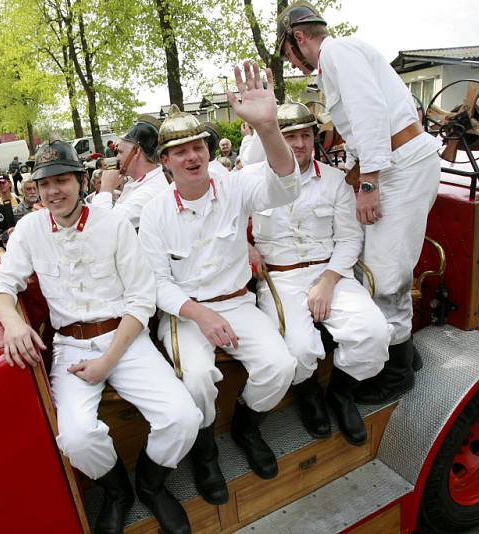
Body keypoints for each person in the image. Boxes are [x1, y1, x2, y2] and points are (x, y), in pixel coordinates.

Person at [0, 140, 202, 534]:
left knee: (183, 417)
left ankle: (152, 485)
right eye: (45, 183)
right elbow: (0, 284)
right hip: (69, 346)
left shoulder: (113, 223)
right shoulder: (31, 229)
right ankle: (118, 493)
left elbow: (141, 299)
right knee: (77, 438)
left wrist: (107, 361)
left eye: (62, 180)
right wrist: (14, 323)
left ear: (82, 181)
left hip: (126, 338)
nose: (53, 191)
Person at [138, 62, 300, 504]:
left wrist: (267, 127)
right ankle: (206, 451)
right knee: (195, 381)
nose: (192, 156)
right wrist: (200, 315)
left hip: (237, 303)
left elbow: (286, 187)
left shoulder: (234, 185)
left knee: (280, 366)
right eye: (180, 151)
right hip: (186, 312)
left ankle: (247, 427)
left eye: (198, 147)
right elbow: (157, 284)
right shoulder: (154, 213)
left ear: (209, 151)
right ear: (165, 162)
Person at [278, 1, 441, 403]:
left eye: (288, 53)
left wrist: (368, 182)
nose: (292, 63)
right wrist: (356, 170)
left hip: (398, 168)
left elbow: (369, 113)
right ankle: (403, 352)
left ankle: (397, 374)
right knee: (377, 264)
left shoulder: (336, 52)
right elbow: (364, 122)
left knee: (386, 274)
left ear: (299, 38)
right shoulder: (343, 56)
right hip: (395, 163)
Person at [249, 102, 390, 446]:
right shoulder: (250, 180)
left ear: (314, 138)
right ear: (274, 140)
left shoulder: (335, 182)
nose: (299, 143)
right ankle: (308, 394)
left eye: (305, 135)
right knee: (296, 350)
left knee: (374, 333)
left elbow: (349, 238)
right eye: (290, 136)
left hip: (330, 272)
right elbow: (225, 220)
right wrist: (245, 245)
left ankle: (340, 394)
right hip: (279, 278)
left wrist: (327, 282)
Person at [93, 115, 169, 229]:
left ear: (136, 151)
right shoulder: (144, 183)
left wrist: (105, 189)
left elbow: (101, 227)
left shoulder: (150, 192)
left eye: (120, 152)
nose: (117, 158)